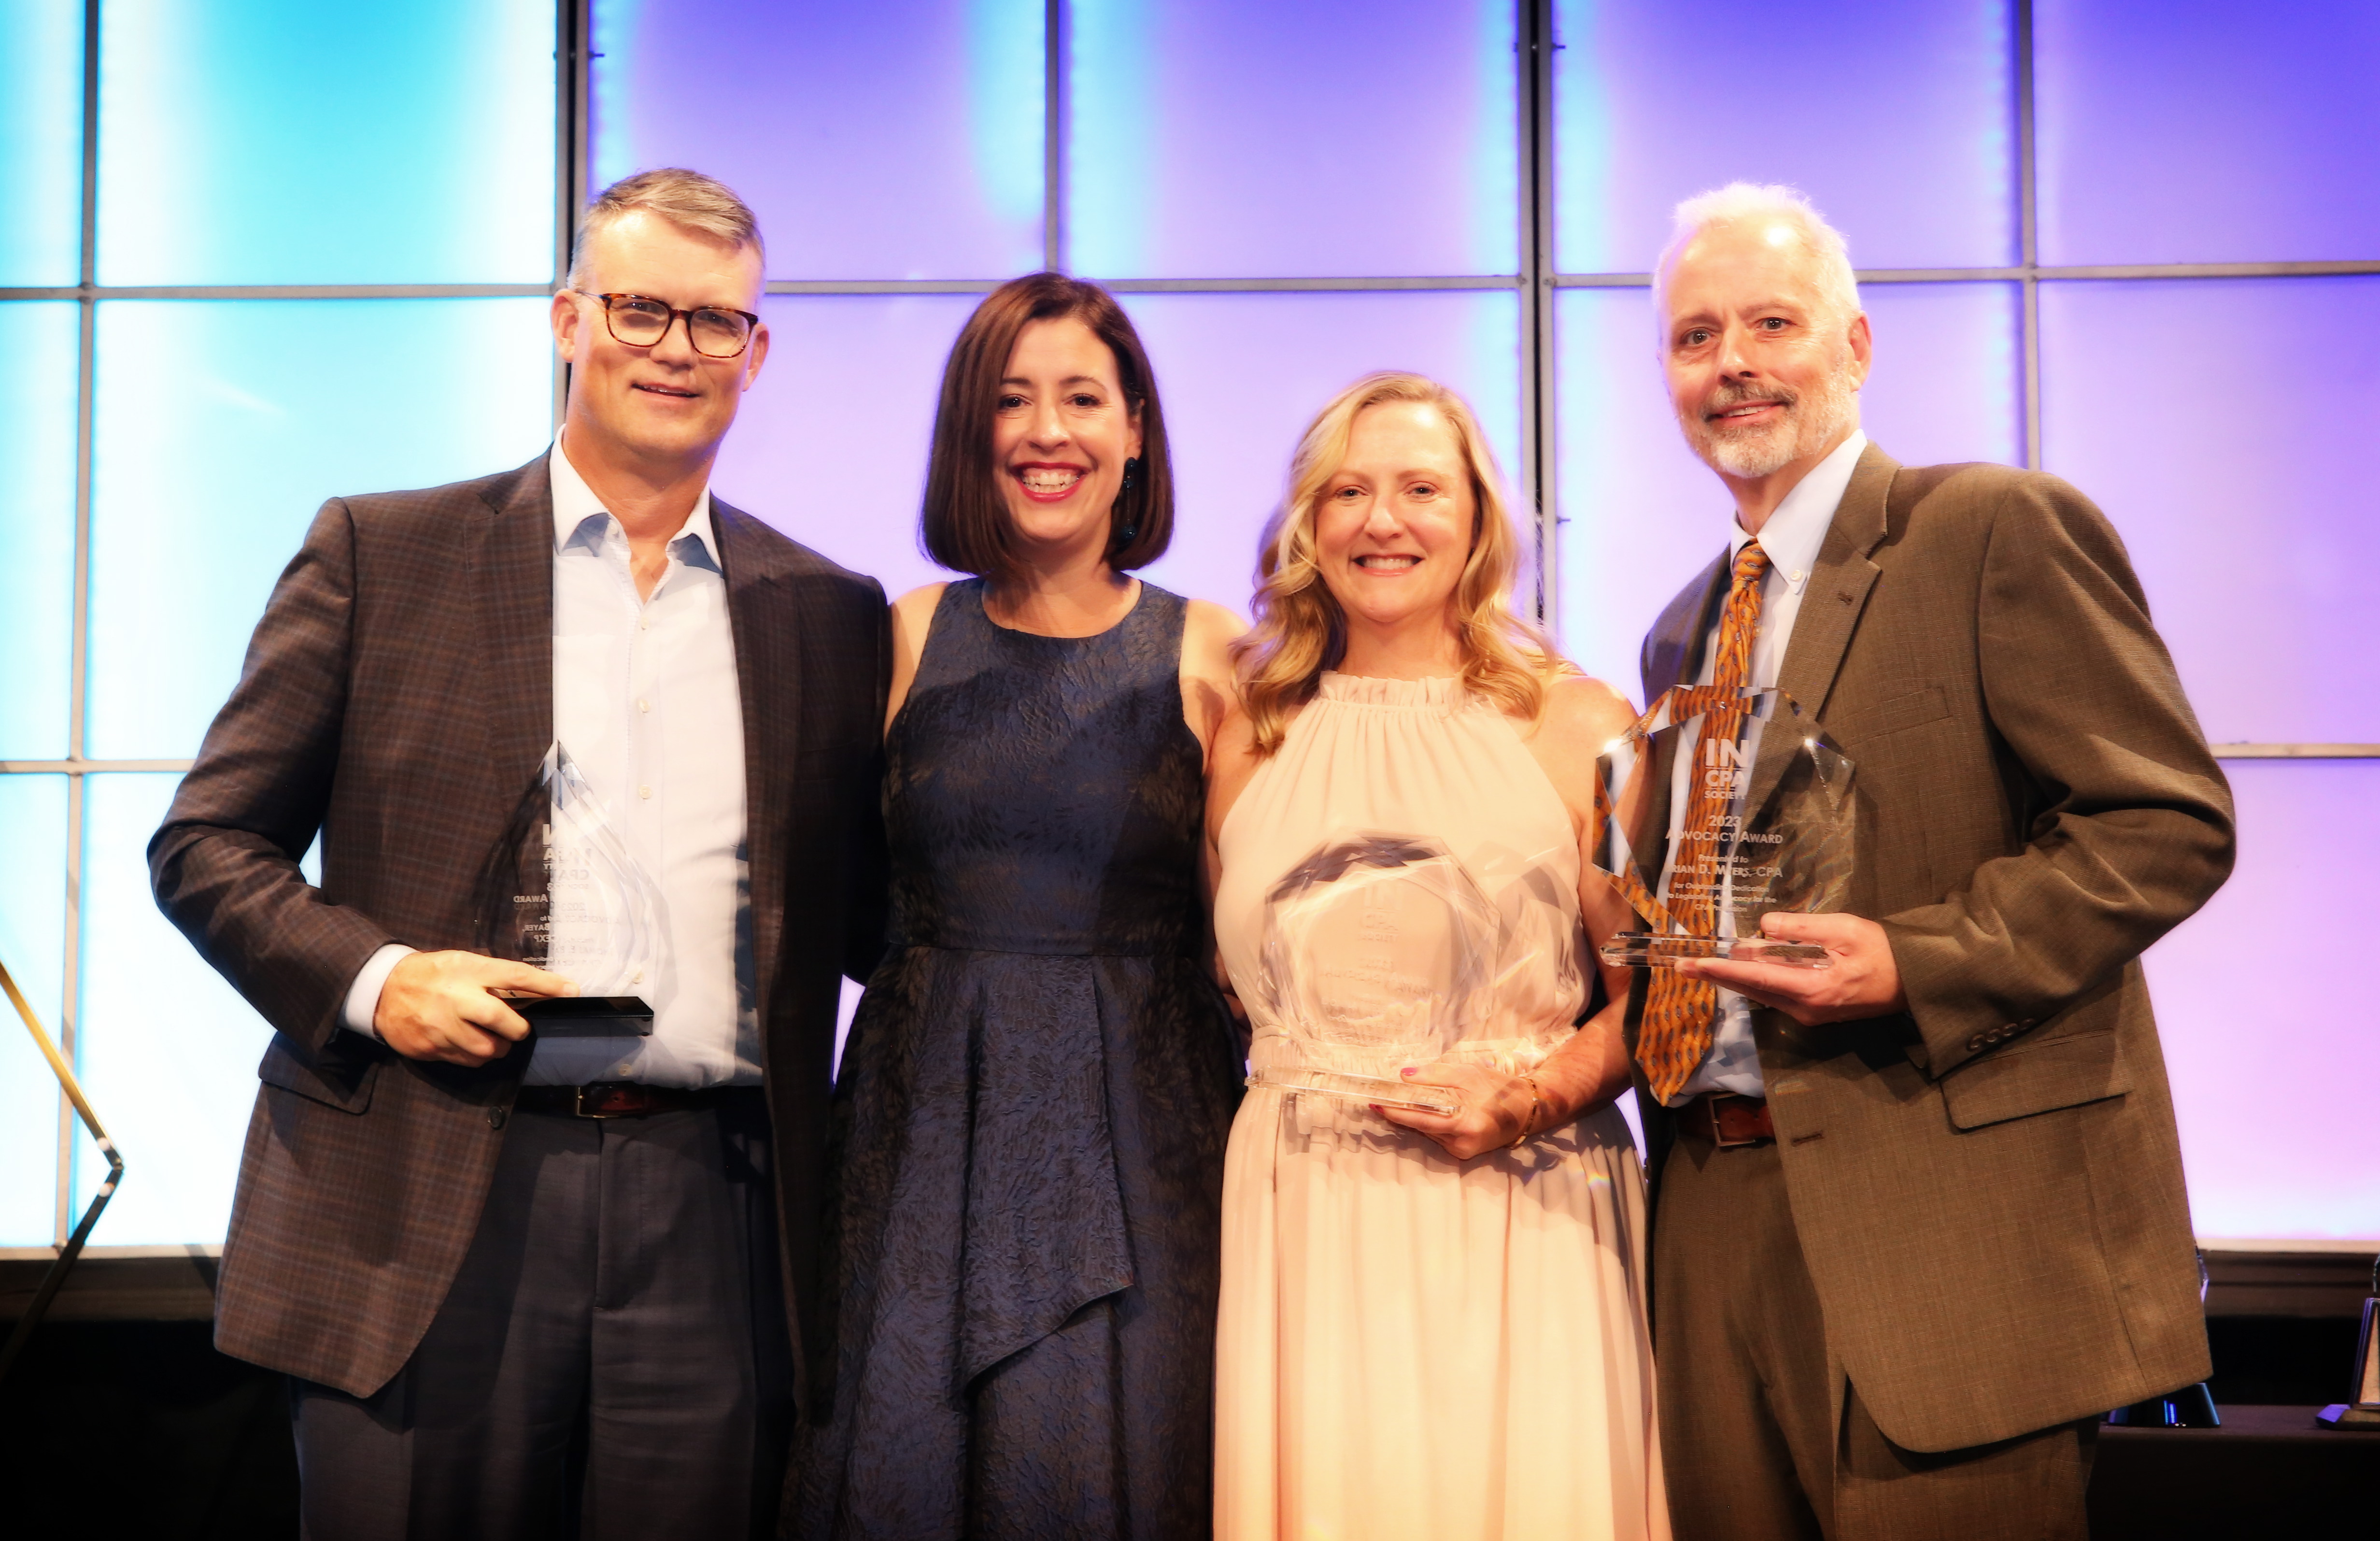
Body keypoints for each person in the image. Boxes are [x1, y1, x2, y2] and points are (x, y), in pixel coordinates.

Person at [149, 169, 890, 1538]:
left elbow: (879, 920)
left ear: (758, 352)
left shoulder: (832, 614)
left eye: (715, 321)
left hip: (713, 1213)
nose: (677, 347)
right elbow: (206, 841)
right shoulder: (386, 552)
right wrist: (379, 975)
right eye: (640, 307)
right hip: (429, 1190)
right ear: (567, 318)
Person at [1628, 182, 2236, 1540]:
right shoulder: (1681, 632)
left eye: (1771, 322)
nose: (1731, 361)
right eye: (1693, 334)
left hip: (1947, 1223)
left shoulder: (1988, 527)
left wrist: (1919, 956)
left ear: (1855, 344)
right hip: (1714, 1205)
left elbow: (2167, 818)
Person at [795, 273, 1245, 1540]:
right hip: (924, 1126)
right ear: (970, 432)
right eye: (1013, 399)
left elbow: (1261, 925)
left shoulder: (1216, 648)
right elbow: (835, 902)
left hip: (1147, 1137)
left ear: (1137, 428)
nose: (1049, 431)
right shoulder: (901, 633)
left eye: (1083, 397)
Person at [1206, 372, 1667, 1541]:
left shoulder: (1588, 726)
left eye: (1420, 487)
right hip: (1302, 1213)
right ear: (1309, 522)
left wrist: (1524, 1097)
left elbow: (1661, 998)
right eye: (1347, 490)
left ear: (1477, 519)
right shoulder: (1247, 726)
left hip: (1524, 1207)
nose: (1381, 519)